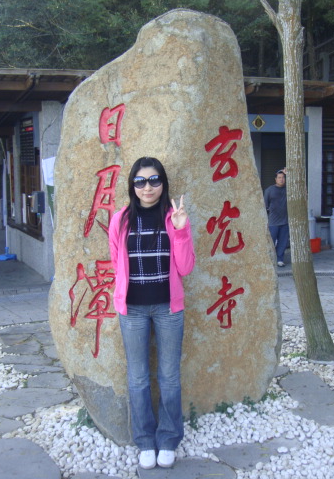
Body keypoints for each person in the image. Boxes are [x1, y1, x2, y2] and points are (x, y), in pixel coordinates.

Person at [108, 157, 195, 470]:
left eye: (154, 180)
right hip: (132, 309)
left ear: (163, 183)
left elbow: (186, 267)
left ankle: (169, 438)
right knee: (138, 377)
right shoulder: (120, 220)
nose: (148, 187)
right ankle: (144, 439)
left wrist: (181, 230)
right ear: (132, 185)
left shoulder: (173, 217)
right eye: (140, 181)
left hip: (168, 308)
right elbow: (117, 262)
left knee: (169, 377)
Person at [264, 168, 289, 267]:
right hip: (273, 222)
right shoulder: (269, 190)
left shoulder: (288, 189)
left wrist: (289, 174)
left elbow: (298, 186)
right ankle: (268, 260)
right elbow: (265, 206)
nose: (281, 179)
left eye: (283, 177)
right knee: (271, 242)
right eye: (279, 177)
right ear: (275, 179)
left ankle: (280, 259)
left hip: (285, 221)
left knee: (283, 242)